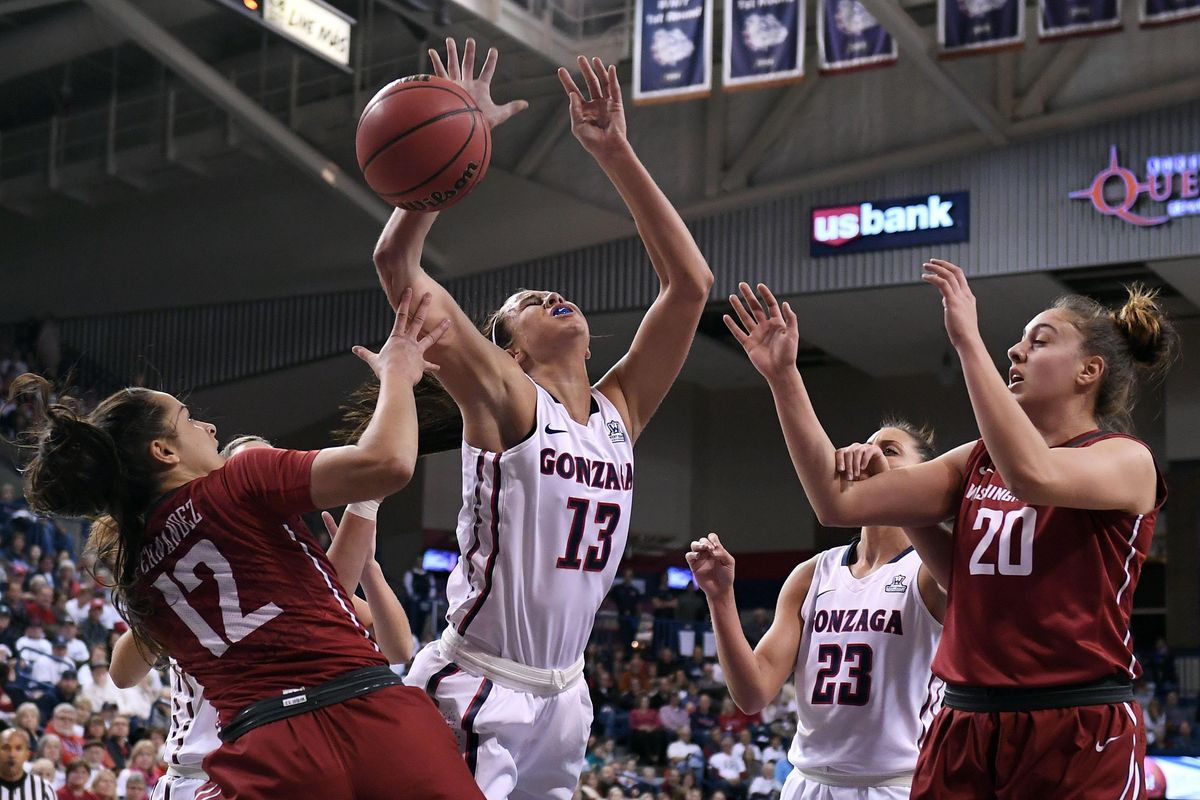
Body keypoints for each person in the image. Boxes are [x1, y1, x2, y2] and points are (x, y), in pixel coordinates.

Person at [377, 38, 713, 800]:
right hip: (480, 685)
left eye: (552, 294)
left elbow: (689, 284)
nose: (548, 296)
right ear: (512, 353)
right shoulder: (506, 398)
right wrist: (436, 171)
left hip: (565, 695)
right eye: (526, 303)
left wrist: (614, 150)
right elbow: (397, 269)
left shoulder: (617, 412)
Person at [722, 264, 1175, 798]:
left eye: (1040, 340)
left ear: (1088, 371)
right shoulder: (975, 461)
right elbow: (835, 502)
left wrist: (967, 341)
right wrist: (784, 377)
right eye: (1017, 341)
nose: (1016, 352)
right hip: (965, 717)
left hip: (1073, 718)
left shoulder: (1125, 460)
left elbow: (1032, 476)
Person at [11, 293, 484, 799]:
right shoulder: (238, 481)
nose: (209, 426)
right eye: (189, 418)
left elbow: (131, 667)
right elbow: (388, 464)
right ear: (164, 451)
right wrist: (398, 374)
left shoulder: (137, 568)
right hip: (364, 712)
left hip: (262, 749)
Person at [109, 435, 416, 800]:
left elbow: (399, 648)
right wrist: (363, 507)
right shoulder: (191, 574)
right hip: (203, 775)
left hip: (277, 763)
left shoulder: (291, 571)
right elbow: (122, 674)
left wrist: (370, 569)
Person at [687, 421, 946, 797]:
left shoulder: (931, 571)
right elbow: (753, 692)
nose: (869, 455)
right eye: (867, 445)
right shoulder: (813, 574)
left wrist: (895, 490)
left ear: (924, 478)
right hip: (807, 782)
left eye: (889, 451)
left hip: (894, 785)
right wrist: (720, 597)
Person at [0, 729, 55, 800]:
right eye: (6, 748)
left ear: (27, 754)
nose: (12, 754)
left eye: (18, 748)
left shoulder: (44, 788)